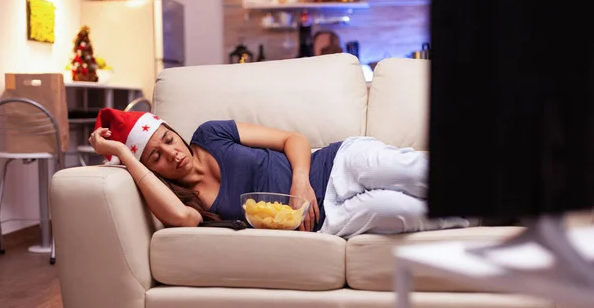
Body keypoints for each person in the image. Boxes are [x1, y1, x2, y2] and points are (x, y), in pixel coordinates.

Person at [88, 108, 474, 238]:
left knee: (410, 172)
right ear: (150, 168)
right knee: (403, 211)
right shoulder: (186, 203)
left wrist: (300, 182)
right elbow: (180, 220)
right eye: (156, 156)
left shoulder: (210, 134)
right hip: (324, 222)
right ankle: (486, 214)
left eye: (169, 139)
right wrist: (123, 153)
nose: (172, 154)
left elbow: (293, 138)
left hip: (334, 164)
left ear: (174, 130)